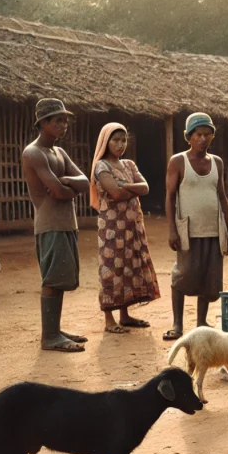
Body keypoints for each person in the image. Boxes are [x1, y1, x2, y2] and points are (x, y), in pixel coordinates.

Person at [22, 98, 91, 352]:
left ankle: (55, 329)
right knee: (52, 278)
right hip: (50, 224)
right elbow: (60, 193)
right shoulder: (33, 153)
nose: (64, 125)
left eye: (65, 120)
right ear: (44, 123)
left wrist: (64, 181)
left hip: (66, 223)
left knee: (60, 277)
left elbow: (85, 182)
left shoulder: (59, 153)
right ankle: (49, 336)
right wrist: (66, 187)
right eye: (58, 120)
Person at [163, 113, 228, 341]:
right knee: (184, 275)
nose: (203, 139)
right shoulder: (178, 161)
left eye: (207, 134)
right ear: (189, 137)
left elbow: (222, 196)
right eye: (198, 134)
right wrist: (172, 229)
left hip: (213, 230)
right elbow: (170, 197)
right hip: (189, 230)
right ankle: (177, 324)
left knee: (209, 277)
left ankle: (201, 322)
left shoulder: (217, 163)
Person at [89, 122, 161, 333]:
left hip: (132, 225)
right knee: (112, 268)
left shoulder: (129, 165)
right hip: (112, 227)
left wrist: (124, 186)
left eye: (123, 140)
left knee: (129, 266)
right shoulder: (101, 166)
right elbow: (115, 194)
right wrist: (131, 189)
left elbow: (145, 188)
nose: (120, 145)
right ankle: (109, 320)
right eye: (115, 140)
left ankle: (125, 315)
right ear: (105, 142)